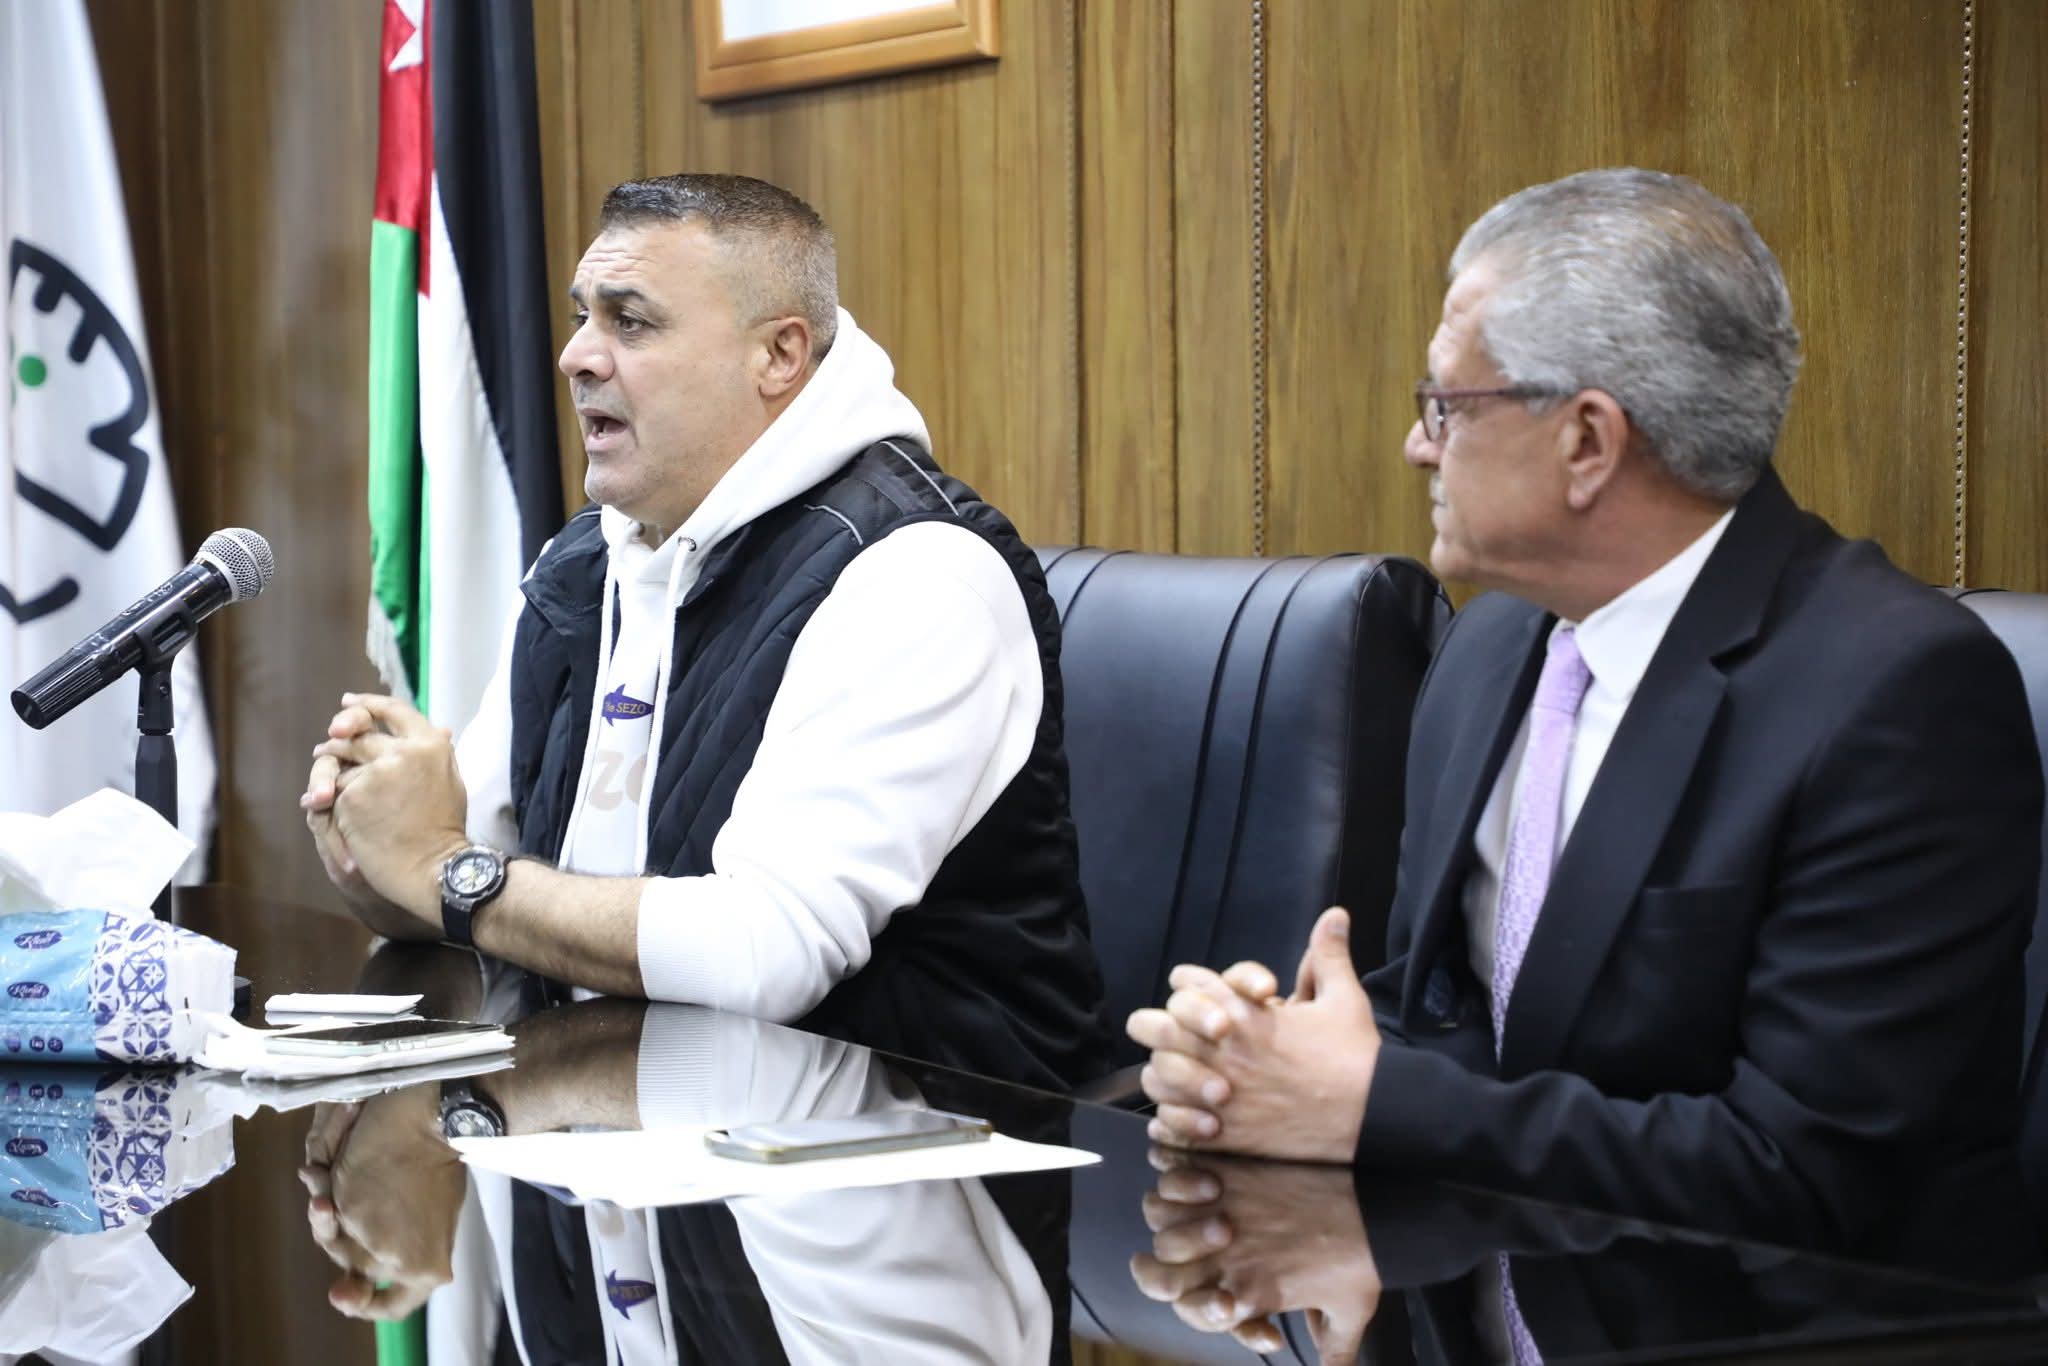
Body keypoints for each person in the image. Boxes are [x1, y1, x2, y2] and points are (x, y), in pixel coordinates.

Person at [1127, 168, 2044, 1252]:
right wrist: (1263, 1058)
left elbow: (1810, 1171)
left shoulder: (1899, 694)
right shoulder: (1489, 645)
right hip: (1499, 1268)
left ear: (1587, 443)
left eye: (1444, 405)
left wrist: (1372, 1102)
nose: (1418, 444)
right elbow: (1454, 1014)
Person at [302, 173, 1106, 1085]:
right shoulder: (584, 562)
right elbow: (461, 873)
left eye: (631, 322)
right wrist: (374, 842)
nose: (576, 357)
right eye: (582, 316)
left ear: (779, 356)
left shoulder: (916, 574)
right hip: (614, 1114)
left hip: (904, 1137)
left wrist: (441, 870)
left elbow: (765, 952)